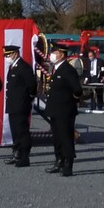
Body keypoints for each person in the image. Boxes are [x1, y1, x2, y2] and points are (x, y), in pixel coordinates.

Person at [44, 44, 82, 177]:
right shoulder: (56, 69)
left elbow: (77, 90)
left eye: (54, 51)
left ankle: (68, 164)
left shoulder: (68, 70)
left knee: (66, 138)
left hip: (65, 110)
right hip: (55, 110)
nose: (52, 54)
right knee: (57, 138)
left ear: (61, 54)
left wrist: (70, 101)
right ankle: (59, 160)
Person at [3, 45, 37, 167]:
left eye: (8, 55)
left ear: (15, 54)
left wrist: (29, 98)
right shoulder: (13, 67)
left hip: (21, 105)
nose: (6, 57)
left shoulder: (23, 67)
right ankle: (16, 153)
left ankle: (24, 157)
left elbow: (32, 86)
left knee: (22, 132)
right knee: (15, 132)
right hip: (13, 105)